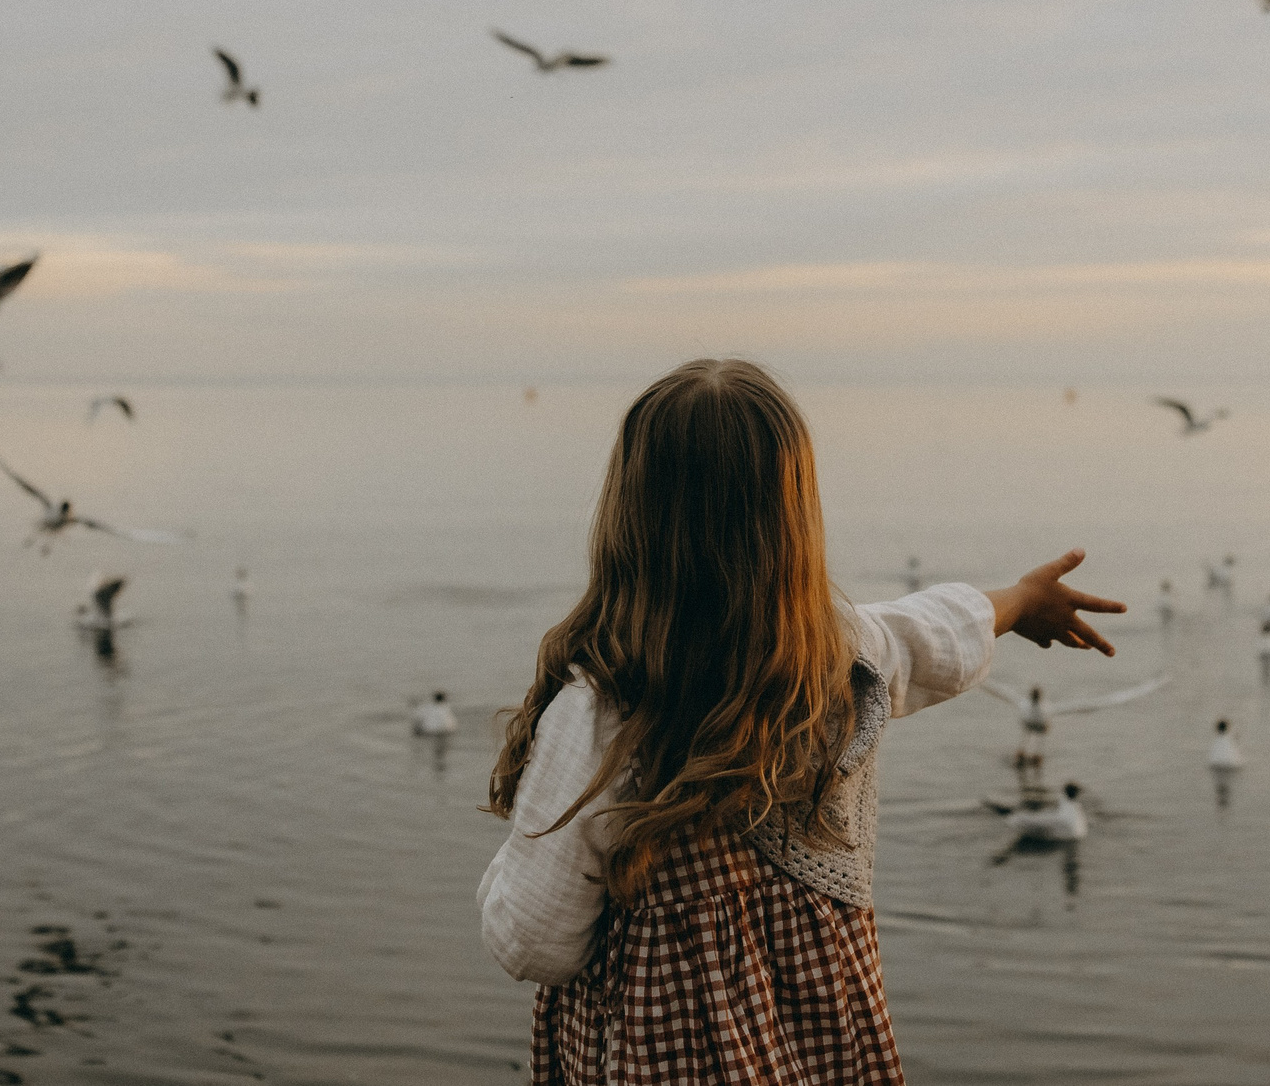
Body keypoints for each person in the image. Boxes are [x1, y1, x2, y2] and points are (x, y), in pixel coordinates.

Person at [479, 358, 1124, 1084]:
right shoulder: (841, 659)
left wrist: (507, 868)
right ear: (793, 519)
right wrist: (1018, 599)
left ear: (629, 518)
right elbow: (934, 634)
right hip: (825, 1053)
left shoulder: (600, 713)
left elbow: (536, 940)